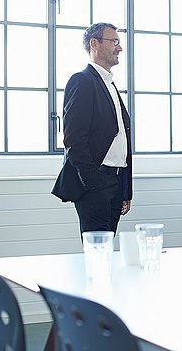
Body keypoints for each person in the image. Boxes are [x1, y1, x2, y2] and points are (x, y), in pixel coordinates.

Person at [52, 22, 132, 237]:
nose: (119, 47)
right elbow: (73, 139)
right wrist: (93, 182)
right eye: (114, 41)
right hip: (96, 182)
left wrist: (125, 189)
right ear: (94, 43)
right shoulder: (82, 81)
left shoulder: (110, 84)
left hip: (115, 181)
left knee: (106, 250)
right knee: (98, 251)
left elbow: (121, 140)